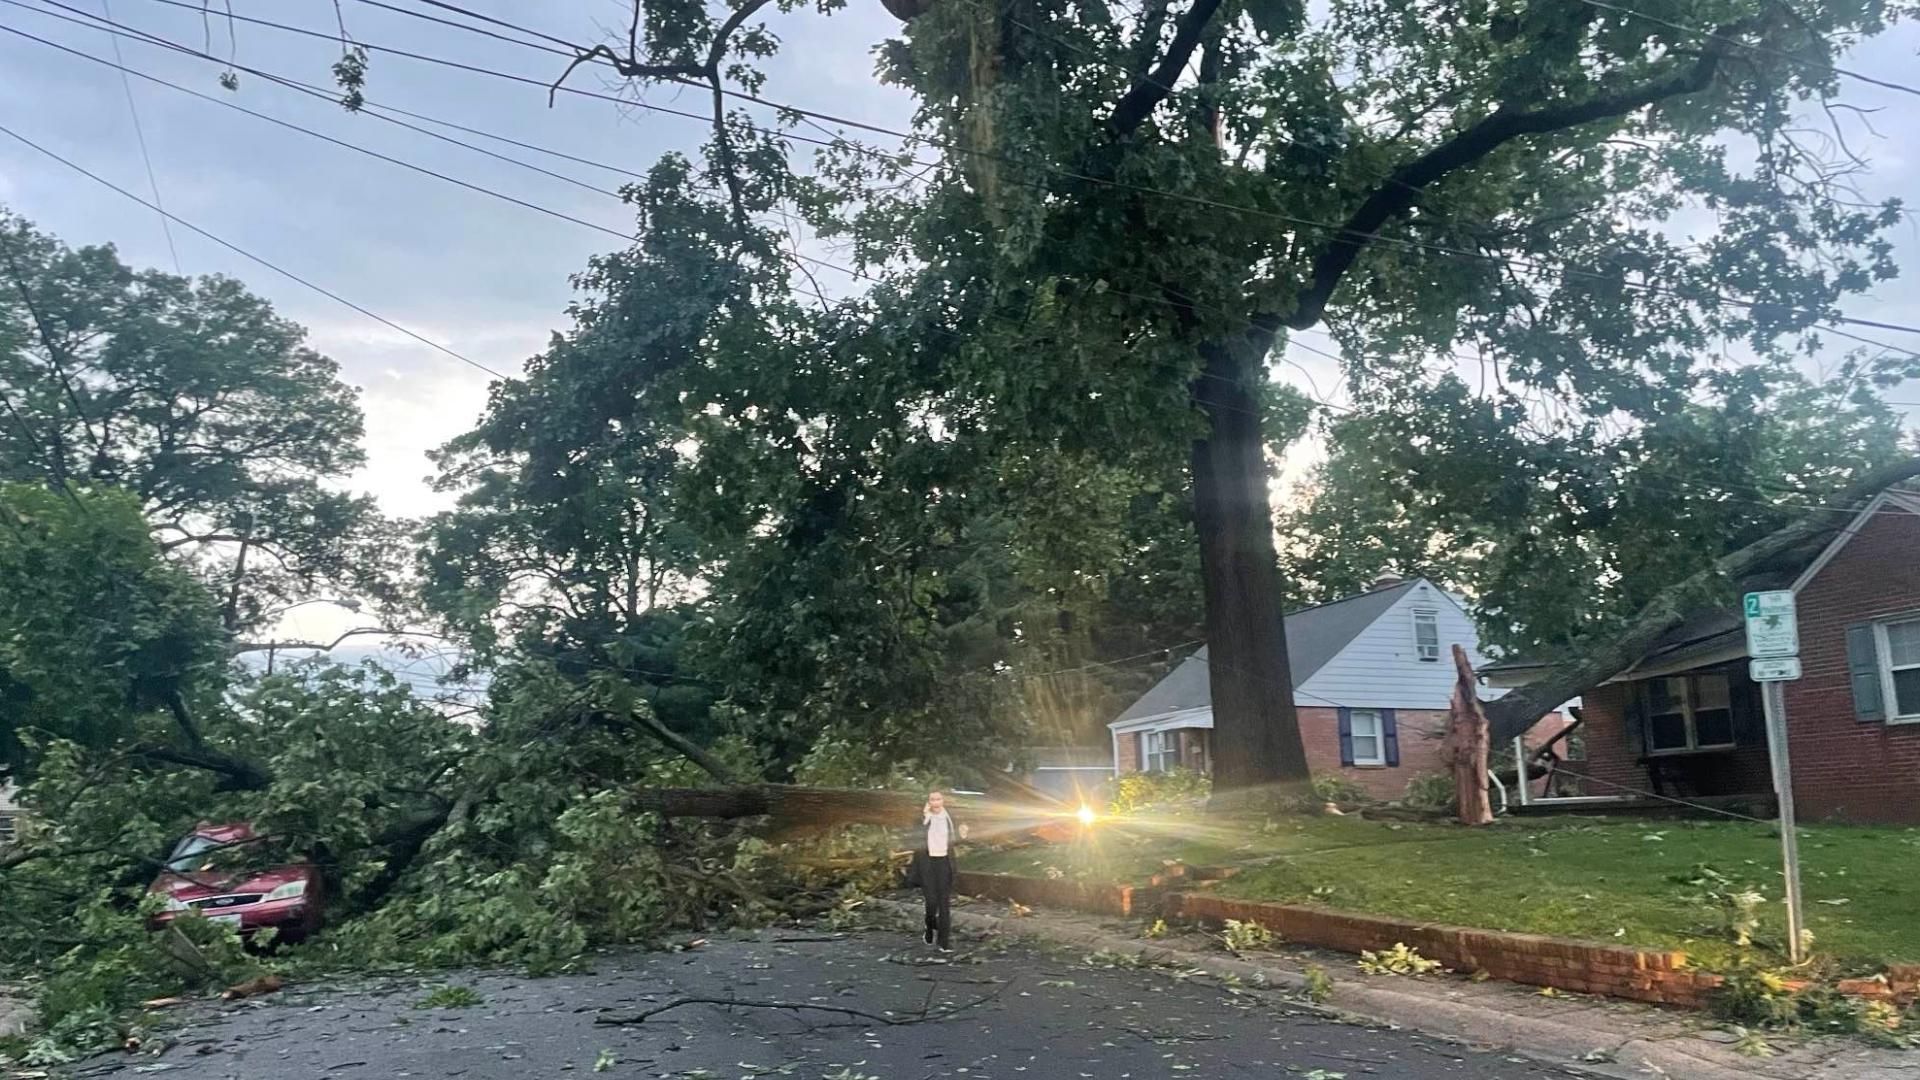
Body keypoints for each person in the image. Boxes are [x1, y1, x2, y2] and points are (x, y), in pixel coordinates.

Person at [916, 790, 965, 951]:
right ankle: (929, 928)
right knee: (931, 901)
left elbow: (959, 836)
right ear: (928, 802)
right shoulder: (922, 819)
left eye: (938, 799)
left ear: (943, 801)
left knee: (944, 903)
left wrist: (963, 833)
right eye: (932, 799)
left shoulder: (950, 818)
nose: (935, 802)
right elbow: (915, 838)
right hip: (928, 863)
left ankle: (944, 942)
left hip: (944, 862)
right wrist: (925, 817)